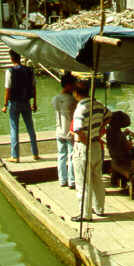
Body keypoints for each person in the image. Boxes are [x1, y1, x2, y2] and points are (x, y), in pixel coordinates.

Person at [71, 81, 112, 221]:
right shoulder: (99, 105)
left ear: (76, 93)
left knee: (83, 182)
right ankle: (99, 208)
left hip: (84, 147)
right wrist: (99, 131)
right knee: (97, 179)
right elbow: (109, 116)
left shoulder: (80, 108)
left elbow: (77, 130)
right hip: (96, 146)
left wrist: (85, 141)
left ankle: (85, 214)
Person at [2, 49, 39, 163]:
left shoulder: (10, 71)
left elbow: (7, 89)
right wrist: (34, 103)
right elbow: (34, 87)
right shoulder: (29, 70)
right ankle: (35, 154)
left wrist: (5, 105)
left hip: (14, 103)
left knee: (14, 129)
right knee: (30, 128)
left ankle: (15, 156)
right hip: (26, 102)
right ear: (19, 57)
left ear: (11, 58)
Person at [51, 73, 77, 188]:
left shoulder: (55, 99)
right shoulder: (72, 100)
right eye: (73, 84)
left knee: (61, 155)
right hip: (70, 133)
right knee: (71, 156)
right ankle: (71, 181)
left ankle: (62, 180)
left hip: (59, 131)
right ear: (68, 85)